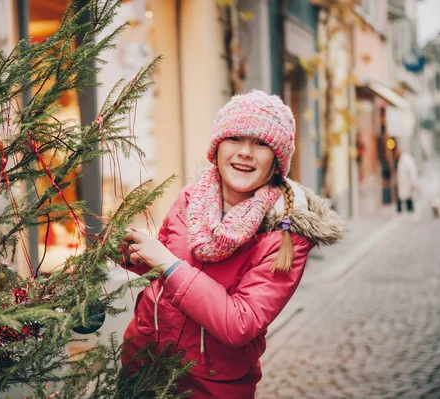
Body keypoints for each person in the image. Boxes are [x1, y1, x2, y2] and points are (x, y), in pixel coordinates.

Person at [120, 91, 344, 398]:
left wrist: (166, 264)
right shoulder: (191, 197)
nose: (246, 152)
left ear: (276, 159)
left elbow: (240, 323)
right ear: (218, 146)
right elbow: (165, 270)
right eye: (235, 138)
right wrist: (137, 257)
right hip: (140, 369)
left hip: (206, 387)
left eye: (261, 143)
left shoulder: (285, 235)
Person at [394, 146, 419, 214]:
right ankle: (403, 210)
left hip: (407, 183)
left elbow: (412, 172)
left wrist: (413, 183)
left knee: (408, 196)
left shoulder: (406, 160)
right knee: (403, 196)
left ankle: (409, 210)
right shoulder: (401, 160)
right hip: (403, 183)